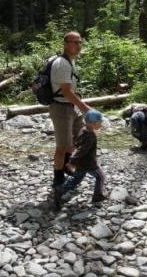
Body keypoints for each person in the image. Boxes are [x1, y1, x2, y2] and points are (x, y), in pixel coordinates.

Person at [49, 31, 91, 188]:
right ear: (66, 44)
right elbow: (66, 92)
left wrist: (79, 105)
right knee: (62, 146)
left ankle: (67, 163)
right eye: (74, 42)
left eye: (80, 42)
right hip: (61, 108)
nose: (78, 45)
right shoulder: (62, 64)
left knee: (80, 137)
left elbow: (69, 90)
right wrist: (85, 107)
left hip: (71, 106)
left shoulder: (70, 61)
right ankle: (58, 176)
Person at [54, 109, 107, 209]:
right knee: (100, 176)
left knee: (76, 179)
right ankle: (97, 195)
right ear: (94, 124)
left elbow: (77, 142)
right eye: (100, 123)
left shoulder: (83, 130)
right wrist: (72, 160)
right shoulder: (90, 136)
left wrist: (74, 161)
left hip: (81, 163)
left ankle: (60, 190)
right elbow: (82, 150)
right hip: (89, 163)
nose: (101, 125)